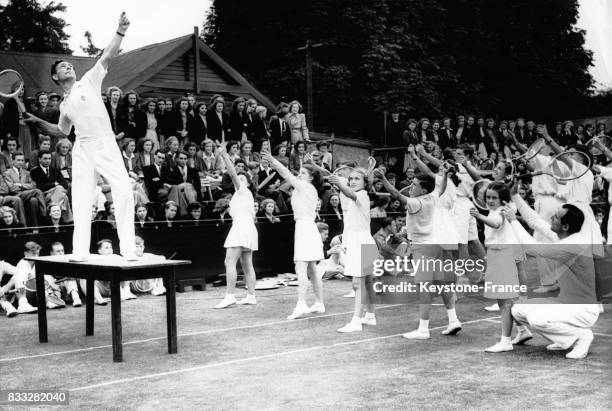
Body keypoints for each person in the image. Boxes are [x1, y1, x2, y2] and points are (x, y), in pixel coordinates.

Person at [25, 12, 137, 261]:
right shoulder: (64, 106)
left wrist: (120, 30)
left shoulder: (89, 81)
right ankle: (80, 251)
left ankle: (128, 249)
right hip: (83, 148)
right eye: (63, 66)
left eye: (70, 65)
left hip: (106, 142)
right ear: (55, 77)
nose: (69, 67)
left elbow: (107, 55)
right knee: (82, 198)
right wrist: (39, 122)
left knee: (124, 192)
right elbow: (62, 131)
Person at [504, 190, 603, 359]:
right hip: (566, 302)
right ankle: (565, 339)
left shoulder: (572, 245)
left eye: (556, 217)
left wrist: (513, 220)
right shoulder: (566, 236)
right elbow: (536, 222)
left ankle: (581, 336)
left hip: (583, 309)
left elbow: (531, 247)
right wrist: (515, 196)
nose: (551, 218)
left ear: (565, 226)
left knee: (536, 319)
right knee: (518, 310)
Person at [376, 166, 461, 339]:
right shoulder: (432, 196)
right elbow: (442, 188)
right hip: (436, 245)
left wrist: (383, 178)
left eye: (414, 185)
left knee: (424, 288)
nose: (411, 187)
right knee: (441, 284)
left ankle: (423, 329)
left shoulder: (416, 202)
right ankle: (453, 320)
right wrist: (444, 175)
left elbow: (397, 195)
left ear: (423, 189)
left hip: (423, 247)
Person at [262, 152, 324, 319]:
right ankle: (319, 303)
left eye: (303, 173)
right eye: (300, 171)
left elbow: (286, 174)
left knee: (301, 267)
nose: (299, 174)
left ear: (311, 178)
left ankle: (301, 304)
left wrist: (273, 161)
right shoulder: (305, 188)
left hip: (306, 228)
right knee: (311, 268)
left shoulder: (305, 187)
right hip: (306, 227)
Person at [470, 182, 522, 352]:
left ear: (502, 199)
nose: (490, 200)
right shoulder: (503, 208)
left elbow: (496, 223)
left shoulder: (500, 212)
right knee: (504, 300)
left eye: (494, 198)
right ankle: (523, 330)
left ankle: (505, 341)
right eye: (488, 197)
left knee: (505, 301)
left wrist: (478, 216)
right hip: (496, 254)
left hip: (502, 254)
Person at [329, 169, 378, 332]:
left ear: (365, 183)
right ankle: (370, 315)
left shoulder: (362, 195)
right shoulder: (356, 196)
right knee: (368, 282)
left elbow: (349, 192)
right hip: (364, 242)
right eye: (350, 179)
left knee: (358, 284)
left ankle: (356, 321)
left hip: (362, 242)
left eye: (357, 179)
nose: (352, 181)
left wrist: (339, 182)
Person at [214, 143, 258, 308]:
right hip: (247, 228)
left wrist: (224, 155)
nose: (238, 180)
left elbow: (232, 174)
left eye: (242, 178)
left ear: (247, 182)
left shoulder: (243, 191)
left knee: (229, 262)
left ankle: (230, 296)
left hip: (241, 227)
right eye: (238, 178)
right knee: (247, 263)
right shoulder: (242, 196)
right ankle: (251, 296)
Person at [3, 151, 46, 227]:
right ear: (13, 161)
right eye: (18, 160)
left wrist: (20, 185)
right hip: (15, 196)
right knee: (37, 191)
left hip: (27, 195)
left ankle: (35, 227)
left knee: (34, 200)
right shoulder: (7, 173)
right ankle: (44, 215)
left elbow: (33, 185)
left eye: (22, 160)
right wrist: (26, 186)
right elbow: (12, 189)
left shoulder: (27, 173)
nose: (21, 162)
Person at [29, 150, 73, 223]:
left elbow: (64, 184)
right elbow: (40, 186)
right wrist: (55, 184)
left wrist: (52, 185)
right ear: (39, 159)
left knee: (60, 190)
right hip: (44, 195)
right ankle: (68, 221)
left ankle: (52, 209)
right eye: (45, 158)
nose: (48, 161)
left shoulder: (55, 170)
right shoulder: (35, 171)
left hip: (56, 192)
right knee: (64, 196)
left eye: (49, 158)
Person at [47, 242, 82, 307]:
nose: (61, 253)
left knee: (70, 279)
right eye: (58, 251)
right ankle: (57, 301)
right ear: (52, 253)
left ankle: (76, 298)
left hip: (69, 290)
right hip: (56, 289)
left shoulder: (67, 262)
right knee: (48, 279)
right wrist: (52, 284)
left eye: (62, 250)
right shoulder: (48, 264)